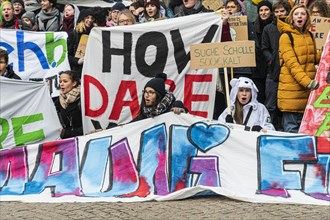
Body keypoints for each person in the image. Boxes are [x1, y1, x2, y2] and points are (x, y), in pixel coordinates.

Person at [277, 4, 321, 133]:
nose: (300, 16)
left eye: (303, 13)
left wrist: (325, 52)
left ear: (307, 17)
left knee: (305, 132)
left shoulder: (309, 35)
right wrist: (308, 82)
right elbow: (292, 64)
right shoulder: (285, 37)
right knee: (292, 131)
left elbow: (313, 58)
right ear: (292, 18)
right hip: (292, 91)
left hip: (307, 92)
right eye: (296, 14)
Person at [261, 0, 291, 130]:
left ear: (288, 12)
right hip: (272, 71)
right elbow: (264, 47)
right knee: (271, 104)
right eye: (277, 12)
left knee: (287, 104)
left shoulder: (293, 28)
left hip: (289, 71)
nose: (279, 14)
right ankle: (269, 128)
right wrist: (271, 60)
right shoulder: (268, 28)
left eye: (282, 11)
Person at [253, 0, 274, 105]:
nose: (263, 12)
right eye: (261, 10)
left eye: (266, 10)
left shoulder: (276, 26)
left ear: (271, 11)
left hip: (271, 68)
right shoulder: (253, 27)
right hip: (257, 69)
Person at [67, 8, 97, 75]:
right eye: (87, 17)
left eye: (92, 18)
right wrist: (77, 61)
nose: (90, 20)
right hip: (76, 71)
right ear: (82, 19)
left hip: (90, 70)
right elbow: (67, 55)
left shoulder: (94, 34)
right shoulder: (73, 34)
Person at [55, 70, 83, 139]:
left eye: (65, 81)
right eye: (60, 81)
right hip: (69, 142)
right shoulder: (59, 101)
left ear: (74, 83)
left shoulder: (83, 98)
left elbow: (89, 127)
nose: (61, 84)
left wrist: (67, 133)